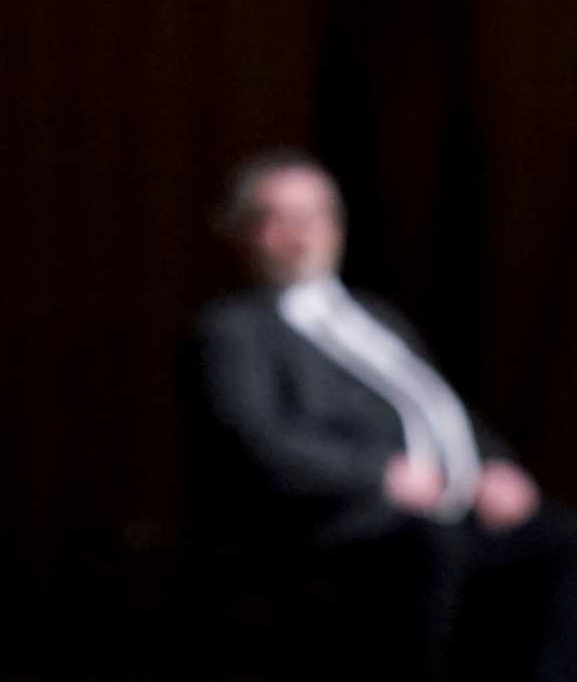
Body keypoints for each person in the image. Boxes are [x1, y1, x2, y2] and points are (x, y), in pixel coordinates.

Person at [193, 149, 577, 678]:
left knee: (561, 539)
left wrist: (494, 464)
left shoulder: (375, 316)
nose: (303, 232)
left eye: (317, 214)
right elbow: (257, 438)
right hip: (352, 521)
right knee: (429, 553)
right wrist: (379, 475)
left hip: (452, 505)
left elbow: (437, 405)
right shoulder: (234, 329)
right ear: (243, 231)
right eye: (281, 217)